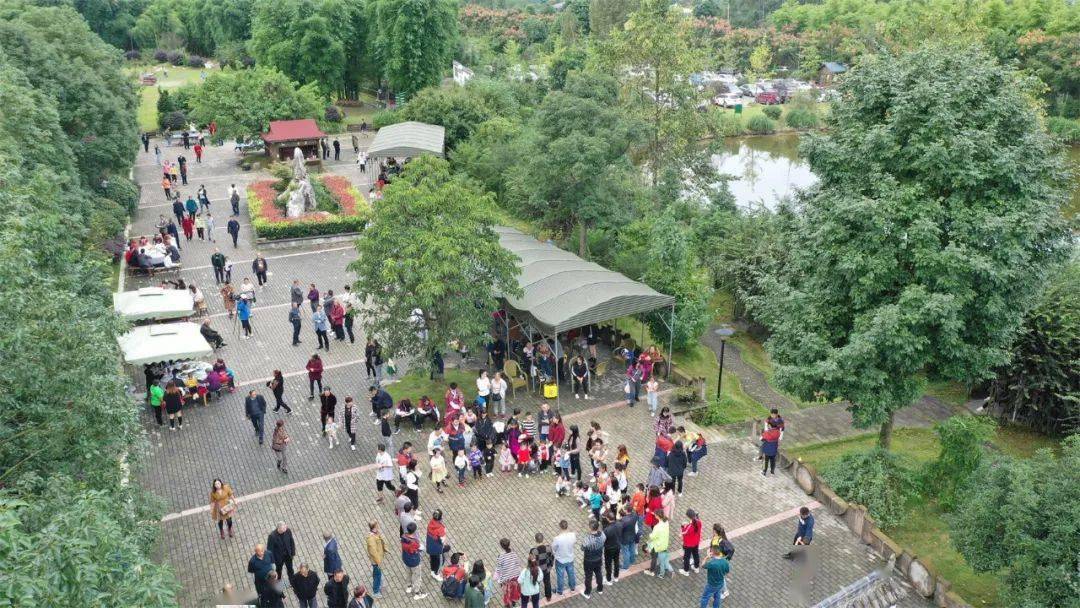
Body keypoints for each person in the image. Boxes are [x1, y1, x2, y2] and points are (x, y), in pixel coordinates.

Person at [401, 522, 429, 600]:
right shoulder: (414, 542)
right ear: (414, 531)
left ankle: (409, 587)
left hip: (406, 559)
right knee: (417, 577)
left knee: (408, 573)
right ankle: (417, 593)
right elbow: (420, 548)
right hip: (414, 561)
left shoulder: (403, 537)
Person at [551, 520, 576, 595]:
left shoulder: (557, 538)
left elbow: (553, 548)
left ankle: (560, 591)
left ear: (560, 527)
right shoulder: (572, 535)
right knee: (571, 573)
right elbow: (574, 542)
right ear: (567, 526)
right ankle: (572, 588)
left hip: (560, 560)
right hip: (570, 558)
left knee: (560, 576)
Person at [581, 519, 605, 599]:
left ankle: (587, 592)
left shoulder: (587, 539)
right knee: (598, 573)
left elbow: (582, 548)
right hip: (598, 558)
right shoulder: (603, 535)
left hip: (589, 561)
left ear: (590, 528)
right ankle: (600, 589)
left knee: (588, 576)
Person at [644, 511, 673, 578]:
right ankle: (665, 567)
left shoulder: (657, 527)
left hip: (657, 545)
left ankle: (651, 571)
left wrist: (649, 536)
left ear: (657, 516)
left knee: (654, 558)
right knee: (663, 557)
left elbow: (652, 536)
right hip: (664, 543)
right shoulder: (666, 522)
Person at [494, 538, 523, 604]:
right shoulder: (514, 554)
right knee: (514, 591)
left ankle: (507, 604)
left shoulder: (501, 556)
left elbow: (498, 569)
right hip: (515, 577)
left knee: (507, 592)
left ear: (501, 546)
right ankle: (513, 601)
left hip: (506, 579)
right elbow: (518, 564)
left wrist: (499, 580)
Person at [366, 521, 388, 598]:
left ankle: (378, 583)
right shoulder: (371, 539)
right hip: (376, 561)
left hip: (378, 558)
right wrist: (379, 562)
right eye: (377, 525)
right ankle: (376, 591)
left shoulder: (375, 533)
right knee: (377, 576)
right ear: (374, 527)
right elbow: (374, 552)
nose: (378, 526)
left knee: (377, 574)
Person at [425, 510, 448, 579]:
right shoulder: (440, 528)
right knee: (441, 561)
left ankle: (432, 571)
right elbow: (443, 540)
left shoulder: (431, 522)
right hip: (437, 549)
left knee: (432, 559)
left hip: (429, 546)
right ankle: (436, 573)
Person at [680, 509, 704, 576]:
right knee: (696, 554)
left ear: (688, 516)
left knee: (686, 557)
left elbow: (684, 532)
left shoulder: (690, 526)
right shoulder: (699, 522)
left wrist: (682, 526)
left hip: (689, 544)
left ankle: (686, 571)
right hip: (696, 542)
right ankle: (696, 568)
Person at [602, 515, 623, 585]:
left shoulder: (607, 529)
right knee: (616, 561)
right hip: (617, 546)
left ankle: (608, 579)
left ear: (608, 519)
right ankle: (616, 577)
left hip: (609, 549)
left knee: (608, 564)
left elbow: (603, 540)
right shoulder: (620, 524)